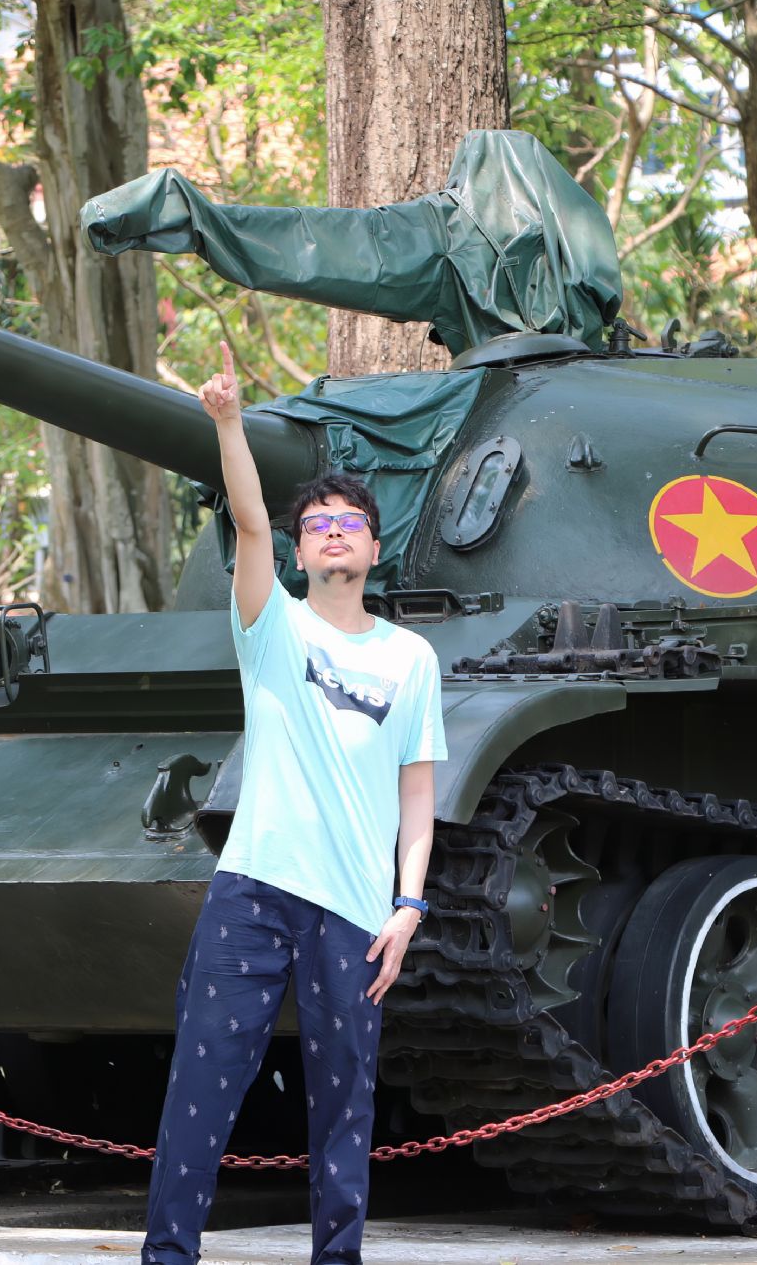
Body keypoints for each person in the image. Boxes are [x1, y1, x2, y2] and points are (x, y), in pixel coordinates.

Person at [141, 343, 447, 1265]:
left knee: (346, 1099)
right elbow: (245, 524)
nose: (334, 531)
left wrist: (409, 905)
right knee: (204, 1082)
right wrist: (229, 423)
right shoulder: (272, 628)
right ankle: (168, 1256)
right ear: (302, 548)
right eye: (317, 522)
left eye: (351, 520)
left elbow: (418, 788)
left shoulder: (411, 659)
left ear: (374, 546)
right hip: (254, 891)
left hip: (355, 911)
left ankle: (338, 1258)